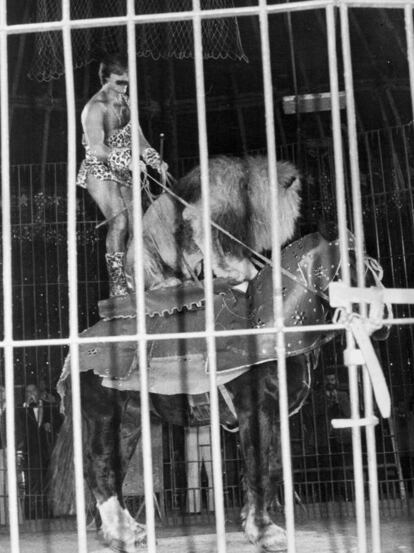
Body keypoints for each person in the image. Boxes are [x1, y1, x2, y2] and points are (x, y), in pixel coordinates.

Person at [76, 53, 168, 297]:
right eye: (118, 82)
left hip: (124, 169)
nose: (123, 87)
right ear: (104, 80)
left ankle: (140, 280)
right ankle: (118, 287)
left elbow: (137, 137)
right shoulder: (95, 108)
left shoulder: (125, 101)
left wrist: (154, 160)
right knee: (120, 222)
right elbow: (97, 148)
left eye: (127, 82)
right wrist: (127, 159)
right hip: (100, 169)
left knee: (139, 225)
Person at [19, 383, 58, 518]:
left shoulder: (49, 407)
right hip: (30, 453)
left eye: (33, 391)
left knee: (47, 482)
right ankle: (30, 514)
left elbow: (58, 423)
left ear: (38, 392)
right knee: (31, 482)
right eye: (28, 392)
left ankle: (47, 513)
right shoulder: (21, 410)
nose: (31, 394)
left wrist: (50, 425)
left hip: (47, 451)